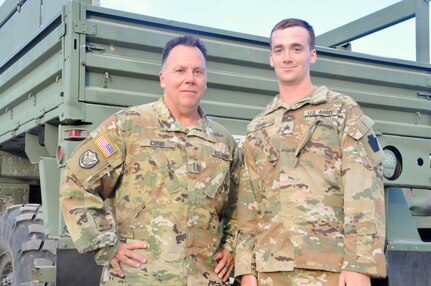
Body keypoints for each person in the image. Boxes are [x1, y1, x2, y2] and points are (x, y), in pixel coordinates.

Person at [60, 34, 240, 285]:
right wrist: (106, 245)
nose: (190, 78)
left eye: (198, 71)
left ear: (205, 80)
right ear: (163, 78)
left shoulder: (224, 142)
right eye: (180, 70)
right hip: (138, 277)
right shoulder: (127, 126)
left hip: (204, 278)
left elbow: (241, 207)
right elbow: (76, 183)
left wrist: (231, 247)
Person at [235, 18, 386, 286]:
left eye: (296, 48)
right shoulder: (258, 127)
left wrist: (359, 265)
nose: (287, 57)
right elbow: (249, 206)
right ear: (271, 58)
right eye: (279, 50)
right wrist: (247, 270)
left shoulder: (342, 111)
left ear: (312, 55)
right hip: (271, 270)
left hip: (331, 269)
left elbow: (364, 193)